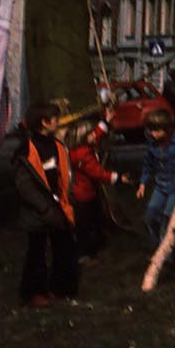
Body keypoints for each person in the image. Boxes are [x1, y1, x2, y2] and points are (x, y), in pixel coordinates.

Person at [13, 99, 78, 308]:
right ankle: (33, 291)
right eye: (54, 119)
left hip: (57, 206)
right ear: (43, 122)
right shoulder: (26, 151)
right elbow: (25, 186)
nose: (58, 122)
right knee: (36, 253)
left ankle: (60, 287)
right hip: (38, 211)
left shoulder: (57, 146)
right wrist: (44, 207)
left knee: (64, 247)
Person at [136, 107, 175, 247]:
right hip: (160, 187)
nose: (153, 134)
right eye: (151, 130)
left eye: (156, 130)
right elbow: (148, 165)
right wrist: (142, 183)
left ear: (167, 129)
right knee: (149, 218)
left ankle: (167, 254)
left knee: (167, 220)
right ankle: (158, 244)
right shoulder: (153, 146)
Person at [68, 112, 124, 264]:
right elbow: (98, 173)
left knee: (93, 217)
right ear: (83, 137)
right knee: (84, 225)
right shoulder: (83, 155)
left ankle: (98, 238)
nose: (95, 136)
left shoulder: (82, 146)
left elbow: (97, 134)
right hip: (83, 196)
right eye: (91, 134)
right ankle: (83, 253)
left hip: (87, 193)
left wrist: (106, 121)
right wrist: (118, 178)